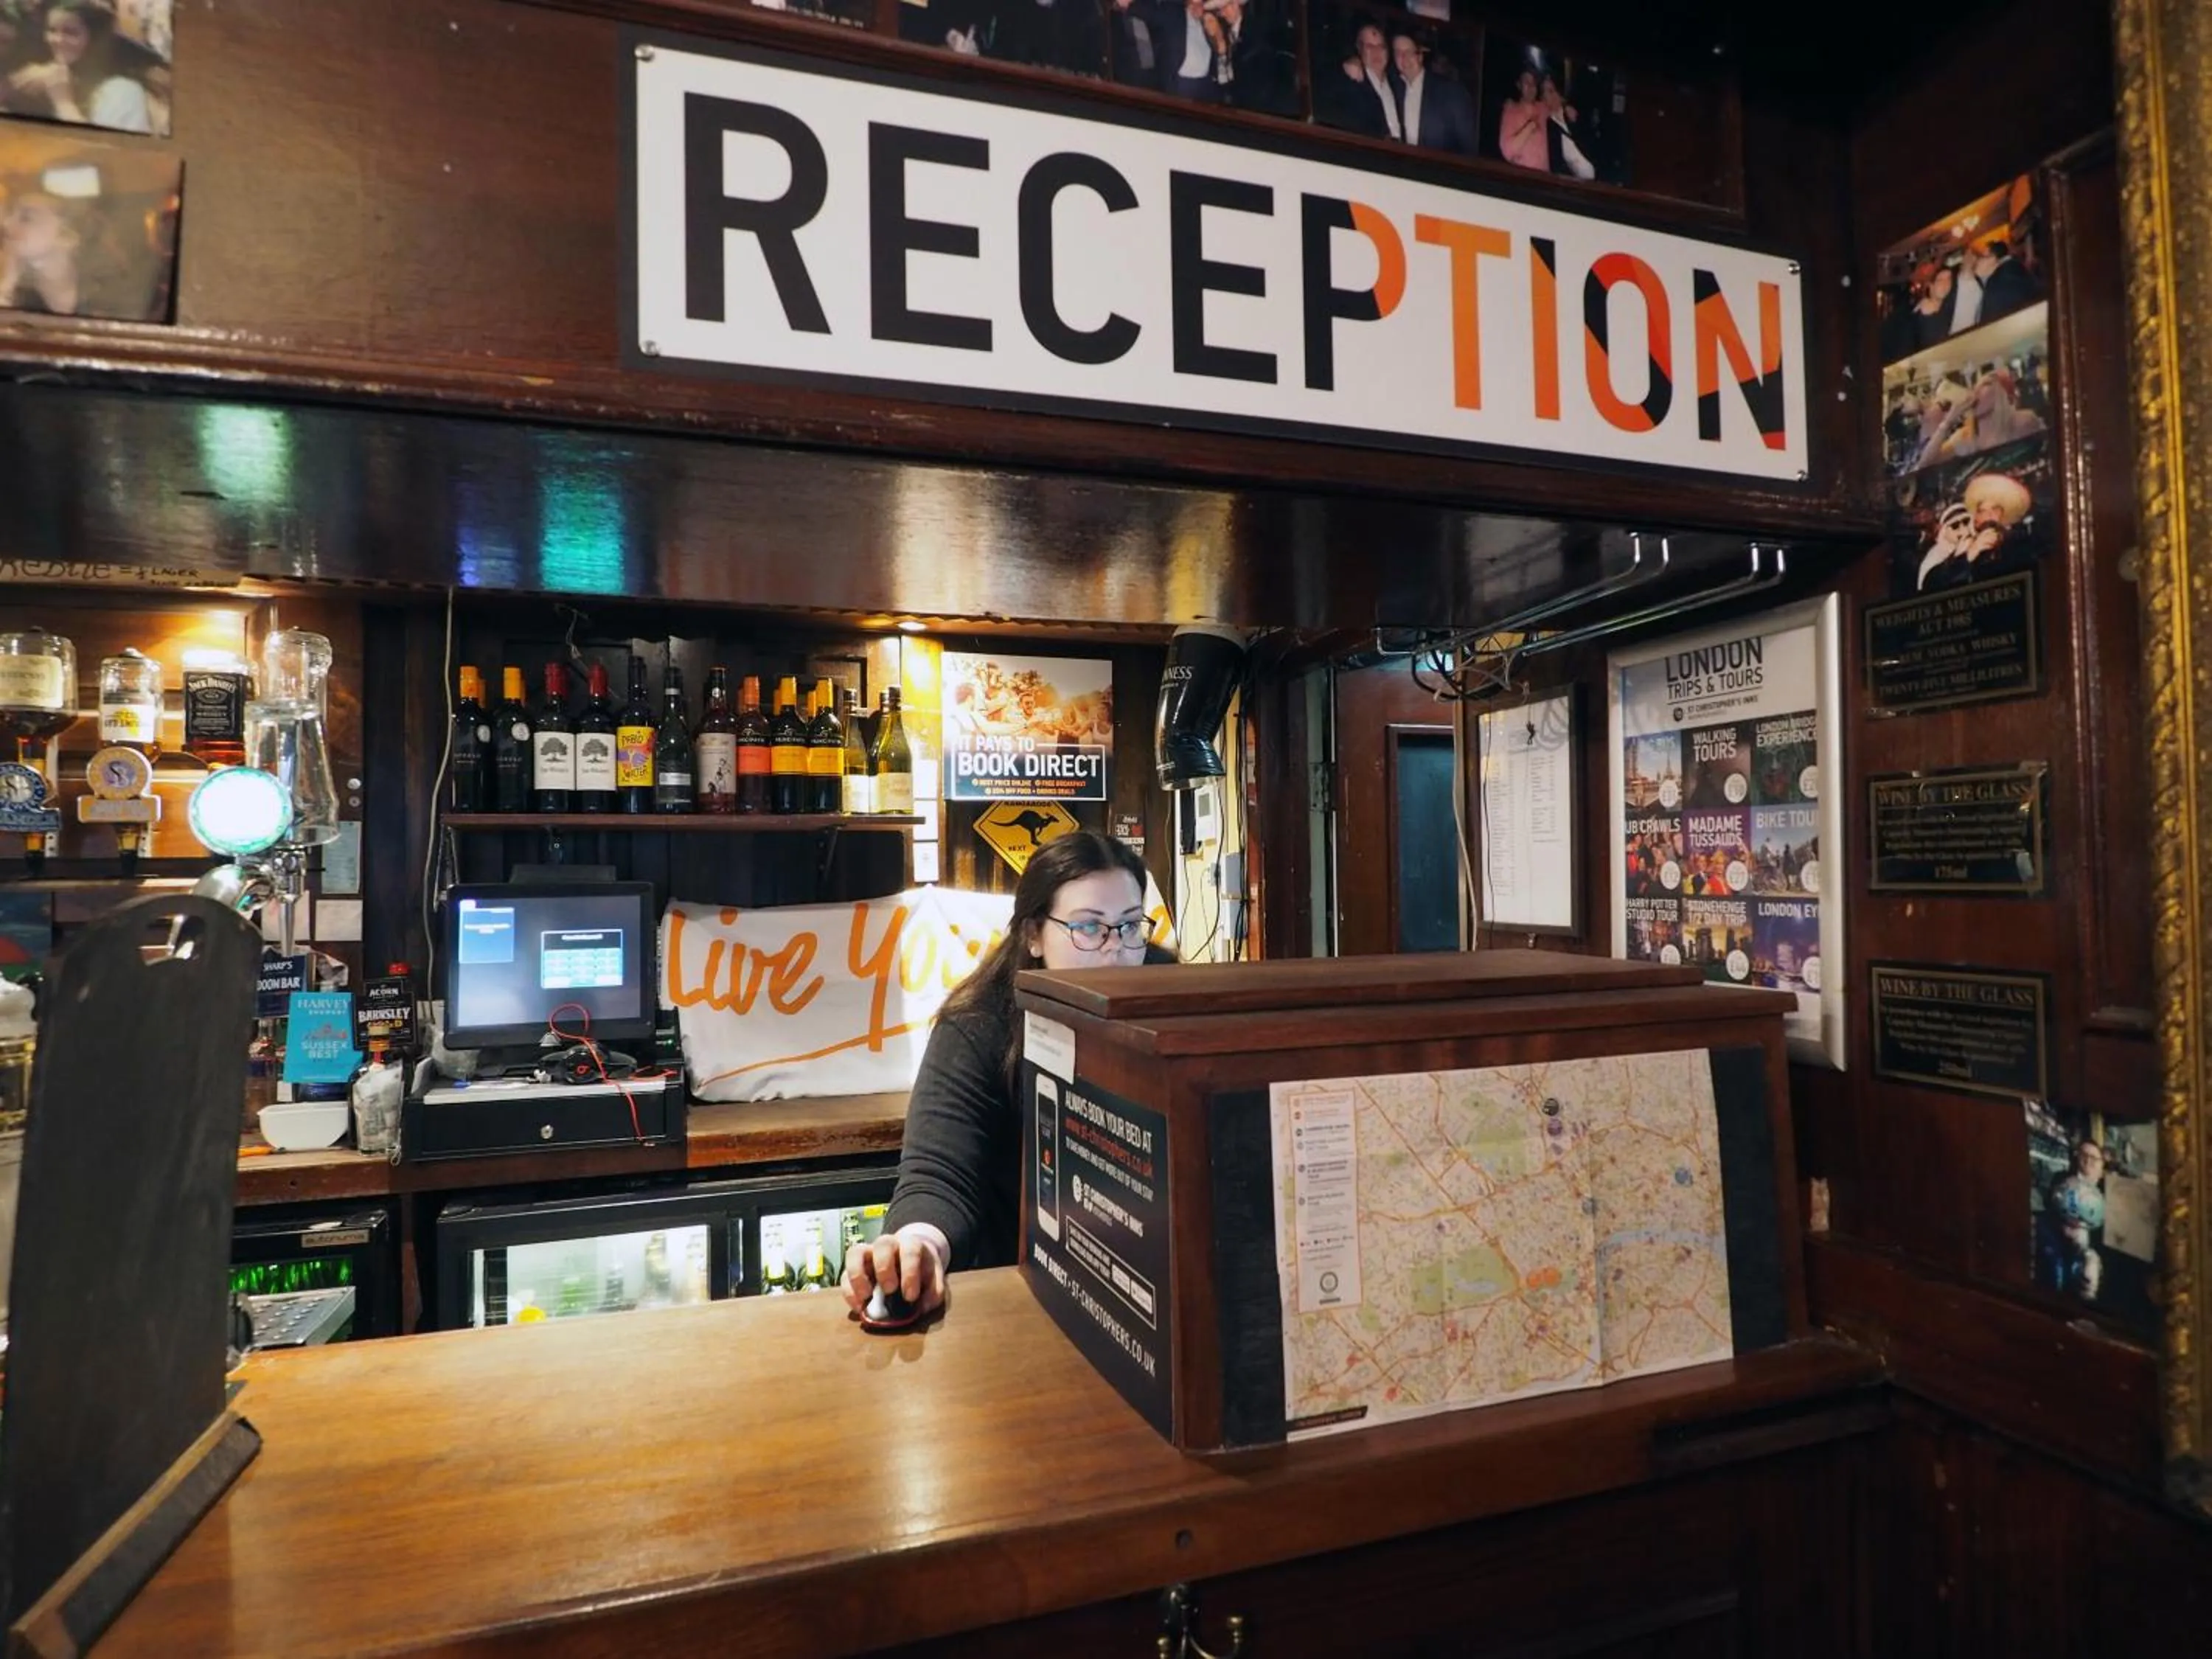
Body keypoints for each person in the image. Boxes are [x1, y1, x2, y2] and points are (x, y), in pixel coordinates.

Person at [844, 832, 1171, 1318]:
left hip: (1145, 1294)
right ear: (1034, 935)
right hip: (1019, 1295)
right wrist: (918, 1245)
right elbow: (940, 1176)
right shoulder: (980, 1023)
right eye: (1088, 927)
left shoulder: (1169, 999)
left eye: (1128, 927)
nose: (1115, 950)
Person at [4, 1, 154, 133]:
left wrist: (63, 102)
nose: (57, 40)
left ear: (94, 39)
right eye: (52, 30)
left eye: (71, 33)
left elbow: (108, 154)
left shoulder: (123, 92)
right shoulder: (44, 76)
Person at [1390, 32, 1476, 155]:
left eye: (1409, 52)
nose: (1404, 58)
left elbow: (1468, 146)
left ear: (1420, 56)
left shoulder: (1451, 91)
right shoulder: (1393, 87)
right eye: (1398, 53)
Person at [0, 189, 83, 316]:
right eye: (10, 214)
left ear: (66, 236)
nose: (7, 224)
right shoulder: (13, 279)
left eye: (26, 218)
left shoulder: (101, 294)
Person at [1318, 20, 1399, 139]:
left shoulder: (1398, 84)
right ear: (1359, 49)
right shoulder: (1351, 82)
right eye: (1370, 46)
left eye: (1381, 47)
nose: (1376, 52)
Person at [1496, 65, 1549, 171]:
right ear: (1519, 85)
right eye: (1526, 82)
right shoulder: (1511, 111)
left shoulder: (1542, 108)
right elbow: (1507, 151)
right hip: (1523, 178)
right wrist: (1530, 126)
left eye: (1534, 83)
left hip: (1544, 178)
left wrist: (1567, 107)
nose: (1531, 86)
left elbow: (1556, 104)